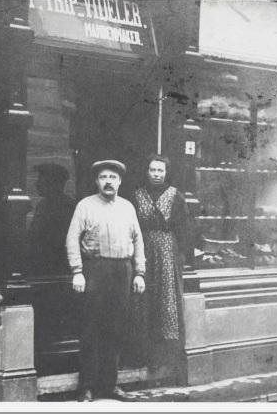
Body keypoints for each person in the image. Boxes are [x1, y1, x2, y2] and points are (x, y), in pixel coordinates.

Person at [66, 159, 146, 402]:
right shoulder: (85, 206)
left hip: (123, 270)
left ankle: (109, 385)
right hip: (95, 269)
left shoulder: (127, 207)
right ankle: (87, 387)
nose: (108, 182)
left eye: (113, 177)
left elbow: (138, 240)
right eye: (103, 177)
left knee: (116, 328)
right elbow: (72, 239)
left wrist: (139, 272)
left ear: (120, 181)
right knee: (91, 327)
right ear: (96, 181)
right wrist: (77, 271)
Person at [131, 154, 190, 383]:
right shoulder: (137, 195)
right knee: (143, 300)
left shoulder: (176, 196)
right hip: (143, 249)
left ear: (166, 173)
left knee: (166, 301)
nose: (156, 174)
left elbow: (184, 229)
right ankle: (141, 353)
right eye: (152, 170)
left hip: (167, 253)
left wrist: (178, 258)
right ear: (146, 171)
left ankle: (167, 357)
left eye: (160, 170)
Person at [27, 163, 76, 276]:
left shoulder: (67, 206)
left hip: (55, 267)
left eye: (41, 180)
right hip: (44, 264)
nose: (37, 184)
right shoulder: (43, 204)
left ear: (54, 184)